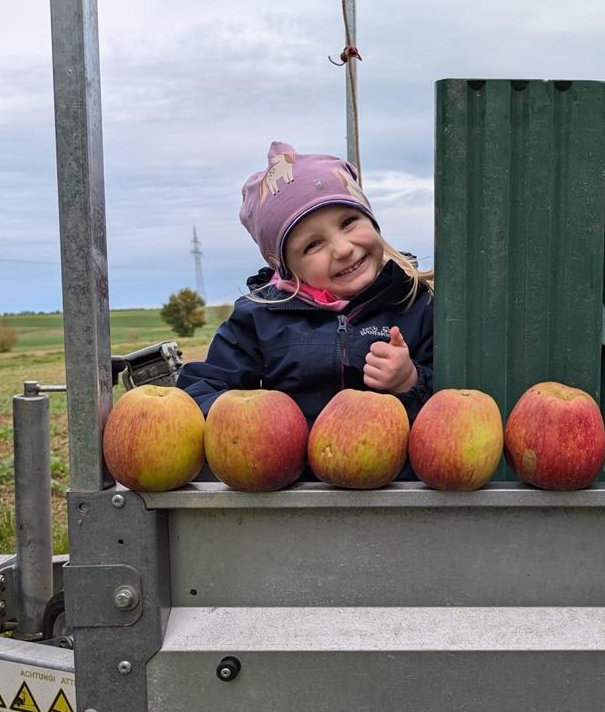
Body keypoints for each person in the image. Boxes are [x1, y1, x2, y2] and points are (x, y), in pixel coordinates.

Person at [178, 141, 433, 479]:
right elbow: (201, 388)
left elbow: (458, 402)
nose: (343, 249)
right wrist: (239, 417)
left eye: (348, 222)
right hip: (294, 497)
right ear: (286, 267)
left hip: (396, 496)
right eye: (313, 244)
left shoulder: (416, 303)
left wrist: (409, 381)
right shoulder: (260, 318)